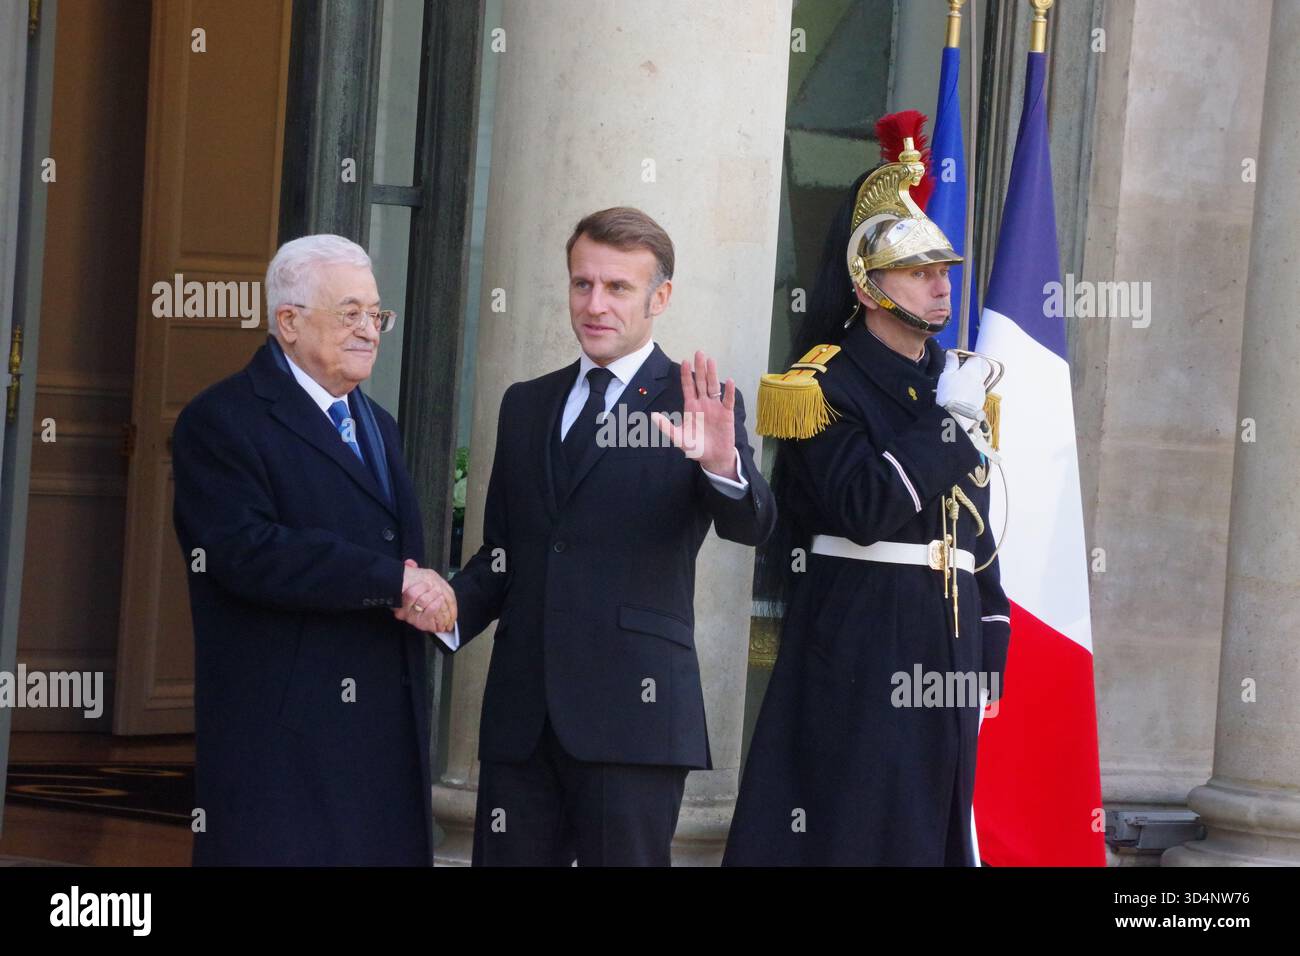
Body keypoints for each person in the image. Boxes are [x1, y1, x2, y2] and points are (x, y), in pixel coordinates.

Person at [441, 206, 776, 866]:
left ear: (661, 297)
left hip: (635, 722)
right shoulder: (526, 404)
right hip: (523, 720)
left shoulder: (694, 404)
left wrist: (719, 465)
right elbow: (503, 556)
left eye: (618, 288)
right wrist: (441, 613)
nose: (595, 305)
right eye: (582, 284)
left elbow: (753, 523)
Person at [723, 131, 1010, 866]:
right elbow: (863, 507)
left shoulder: (953, 377)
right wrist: (946, 426)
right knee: (856, 820)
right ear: (868, 285)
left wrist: (992, 634)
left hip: (945, 637)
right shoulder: (822, 384)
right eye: (919, 272)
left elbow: (974, 529)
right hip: (862, 630)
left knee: (934, 821)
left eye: (944, 270)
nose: (942, 285)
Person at [172, 234, 456, 865]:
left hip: (383, 731)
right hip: (285, 740)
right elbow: (247, 551)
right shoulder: (222, 420)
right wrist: (391, 580)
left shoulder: (377, 421)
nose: (369, 330)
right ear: (289, 322)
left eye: (375, 314)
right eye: (348, 312)